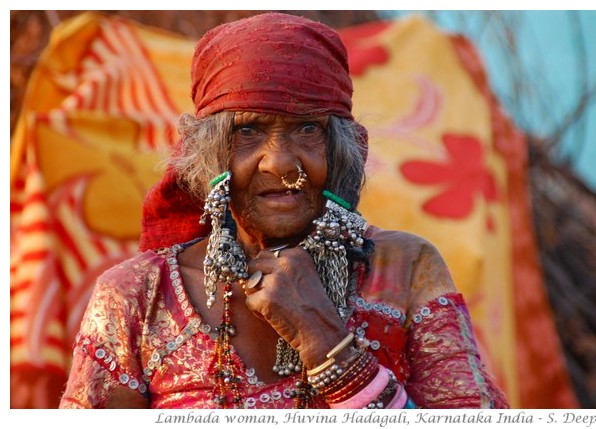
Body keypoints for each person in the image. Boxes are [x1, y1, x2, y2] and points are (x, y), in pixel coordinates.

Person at [59, 12, 508, 409]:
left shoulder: (406, 270)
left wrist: (324, 339)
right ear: (208, 155)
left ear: (342, 151)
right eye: (249, 131)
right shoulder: (136, 296)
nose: (281, 163)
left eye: (308, 129)